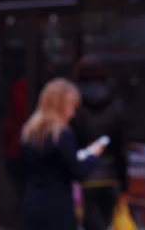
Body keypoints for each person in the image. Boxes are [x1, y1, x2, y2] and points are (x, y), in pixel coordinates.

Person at [21, 78, 105, 230]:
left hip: (32, 203)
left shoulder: (29, 132)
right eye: (71, 106)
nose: (73, 113)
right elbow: (78, 172)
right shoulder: (61, 134)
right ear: (60, 106)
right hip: (57, 207)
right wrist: (94, 155)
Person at [70, 55, 129, 230]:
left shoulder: (73, 104)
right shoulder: (116, 103)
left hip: (84, 178)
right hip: (111, 178)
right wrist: (124, 184)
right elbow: (121, 148)